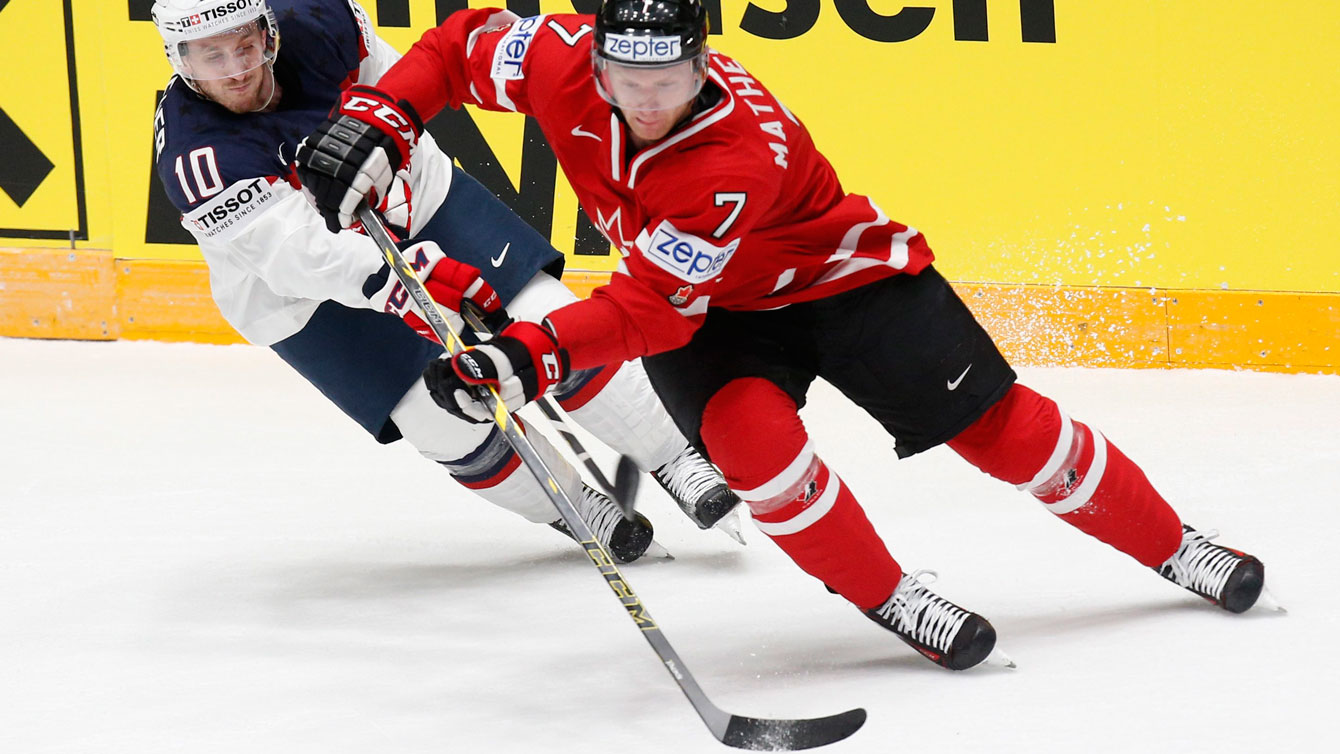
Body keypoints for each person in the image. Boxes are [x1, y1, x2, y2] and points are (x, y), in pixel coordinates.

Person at [295, 0, 1268, 670]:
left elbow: (650, 312)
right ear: (593, 56)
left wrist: (530, 354)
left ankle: (1172, 543)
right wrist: (381, 117)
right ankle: (889, 594)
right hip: (716, 320)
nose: (643, 98)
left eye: (667, 76)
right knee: (755, 454)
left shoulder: (727, 153)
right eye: (624, 75)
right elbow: (465, 46)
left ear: (702, 61)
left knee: (999, 430)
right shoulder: (561, 65)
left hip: (842, 283)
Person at [149, 0, 743, 565]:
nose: (237, 71)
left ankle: (675, 457)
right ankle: (574, 506)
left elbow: (397, 89)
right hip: (301, 297)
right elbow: (295, 254)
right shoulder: (195, 154)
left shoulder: (321, 18)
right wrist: (404, 279)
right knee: (439, 418)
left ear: (268, 31)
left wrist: (385, 160)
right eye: (212, 57)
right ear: (180, 58)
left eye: (245, 47)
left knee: (549, 318)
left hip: (419, 200)